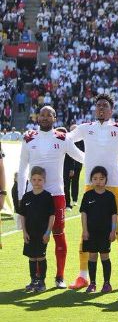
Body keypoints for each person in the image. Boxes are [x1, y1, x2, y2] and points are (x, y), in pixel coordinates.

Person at [69, 94, 118, 291]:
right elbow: (66, 140)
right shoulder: (86, 128)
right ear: (95, 109)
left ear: (111, 110)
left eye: (105, 106)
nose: (101, 108)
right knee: (86, 231)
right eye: (98, 106)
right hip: (90, 185)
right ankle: (82, 276)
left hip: (114, 186)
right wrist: (84, 159)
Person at [17, 106, 85, 289]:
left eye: (49, 114)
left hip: (56, 195)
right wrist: (21, 196)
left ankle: (60, 277)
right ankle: (37, 278)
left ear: (55, 118)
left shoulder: (63, 138)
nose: (45, 117)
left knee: (58, 235)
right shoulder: (28, 138)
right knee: (35, 236)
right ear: (38, 117)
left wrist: (102, 161)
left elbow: (80, 157)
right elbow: (22, 168)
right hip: (34, 196)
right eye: (42, 114)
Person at [79, 166, 118, 294]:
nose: (98, 181)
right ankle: (92, 283)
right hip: (91, 233)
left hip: (105, 233)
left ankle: (107, 283)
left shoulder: (110, 196)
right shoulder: (87, 195)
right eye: (95, 178)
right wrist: (85, 230)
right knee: (92, 256)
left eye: (101, 178)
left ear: (106, 180)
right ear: (91, 180)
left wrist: (113, 231)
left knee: (105, 257)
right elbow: (84, 214)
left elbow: (114, 215)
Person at [19, 167, 55, 292]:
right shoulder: (26, 197)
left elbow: (52, 216)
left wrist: (48, 232)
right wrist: (24, 232)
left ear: (44, 181)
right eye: (34, 179)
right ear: (30, 180)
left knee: (40, 257)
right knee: (31, 257)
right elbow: (22, 215)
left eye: (40, 180)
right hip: (29, 233)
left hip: (42, 234)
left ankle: (42, 282)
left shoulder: (47, 197)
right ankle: (33, 280)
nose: (37, 182)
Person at [61, 125, 84, 210]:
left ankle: (74, 200)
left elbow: (82, 152)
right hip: (66, 166)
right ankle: (67, 202)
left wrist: (72, 168)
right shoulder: (66, 140)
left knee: (75, 182)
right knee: (65, 184)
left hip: (76, 165)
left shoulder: (80, 140)